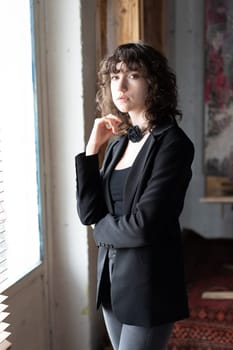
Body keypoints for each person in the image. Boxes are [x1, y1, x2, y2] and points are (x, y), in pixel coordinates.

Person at [75, 42, 194, 350]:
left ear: (154, 83)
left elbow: (145, 225)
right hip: (112, 282)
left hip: (149, 285)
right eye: (114, 77)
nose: (121, 85)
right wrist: (91, 151)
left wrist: (100, 230)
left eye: (133, 75)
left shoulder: (173, 144)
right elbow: (89, 213)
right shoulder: (118, 143)